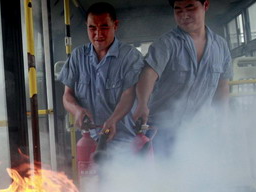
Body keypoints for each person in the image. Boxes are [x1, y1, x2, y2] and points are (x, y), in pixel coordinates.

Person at [132, 0, 232, 156]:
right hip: (163, 129)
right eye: (178, 10)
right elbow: (149, 73)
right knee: (163, 176)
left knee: (196, 174)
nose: (184, 15)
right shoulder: (166, 44)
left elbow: (222, 85)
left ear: (205, 5)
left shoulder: (220, 46)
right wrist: (143, 103)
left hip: (200, 129)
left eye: (190, 8)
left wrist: (223, 122)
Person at [58, 2, 144, 146]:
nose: (98, 34)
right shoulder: (77, 56)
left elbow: (129, 95)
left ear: (115, 25)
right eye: (92, 28)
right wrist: (77, 110)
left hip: (123, 143)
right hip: (89, 142)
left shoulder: (130, 57)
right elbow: (67, 95)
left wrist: (113, 119)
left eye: (104, 26)